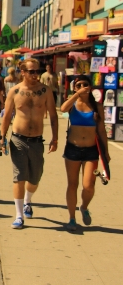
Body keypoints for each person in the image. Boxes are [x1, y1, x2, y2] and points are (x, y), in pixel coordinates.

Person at [0, 58, 58, 229]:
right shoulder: (15, 92)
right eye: (31, 71)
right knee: (19, 176)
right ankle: (19, 215)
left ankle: (27, 201)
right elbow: (7, 116)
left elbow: (53, 116)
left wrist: (55, 138)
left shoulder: (45, 91)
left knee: (35, 177)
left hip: (37, 141)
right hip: (18, 139)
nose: (35, 75)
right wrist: (2, 138)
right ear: (23, 72)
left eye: (37, 71)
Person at [60, 75, 110, 231]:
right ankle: (72, 218)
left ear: (90, 87)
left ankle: (84, 207)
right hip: (72, 149)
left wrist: (106, 153)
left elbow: (101, 131)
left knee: (88, 186)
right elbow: (62, 109)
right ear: (75, 88)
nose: (82, 87)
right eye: (79, 85)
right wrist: (76, 94)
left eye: (85, 84)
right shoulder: (73, 104)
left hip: (91, 151)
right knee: (72, 184)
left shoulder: (97, 106)